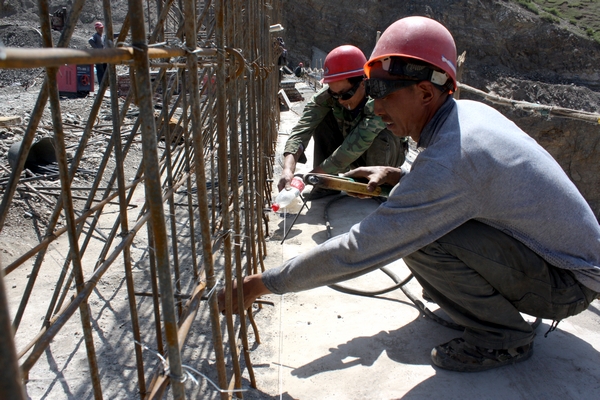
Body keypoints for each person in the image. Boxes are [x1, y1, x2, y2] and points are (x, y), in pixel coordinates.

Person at [220, 16, 600, 372]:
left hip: (566, 286)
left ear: (423, 92)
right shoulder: (467, 115)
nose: (376, 105)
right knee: (418, 226)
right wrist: (400, 174)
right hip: (555, 264)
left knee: (414, 237)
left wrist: (262, 283)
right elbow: (469, 184)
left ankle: (504, 338)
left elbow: (361, 248)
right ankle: (474, 301)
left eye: (383, 92)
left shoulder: (456, 158)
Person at [278, 45, 408, 199]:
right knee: (322, 118)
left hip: (384, 155)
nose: (339, 100)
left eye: (345, 94)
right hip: (353, 153)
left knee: (382, 132)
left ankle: (378, 188)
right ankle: (326, 186)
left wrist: (310, 177)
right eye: (334, 94)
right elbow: (303, 128)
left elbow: (355, 145)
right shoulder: (329, 96)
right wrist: (288, 168)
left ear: (363, 83)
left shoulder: (379, 100)